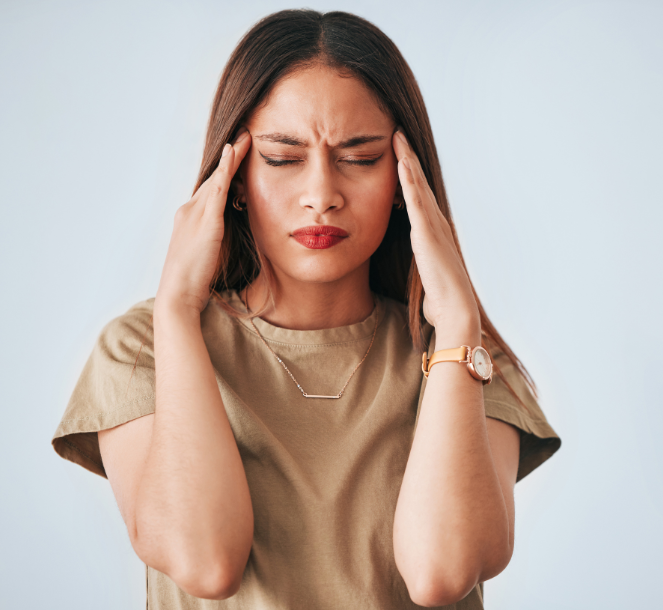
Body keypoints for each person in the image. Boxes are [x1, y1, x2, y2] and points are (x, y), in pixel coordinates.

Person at [51, 9, 561, 609]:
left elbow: (440, 575)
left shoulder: (468, 356)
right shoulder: (141, 349)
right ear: (234, 176)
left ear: (404, 178)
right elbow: (206, 563)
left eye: (361, 156)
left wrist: (454, 321)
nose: (321, 194)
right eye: (283, 158)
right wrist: (176, 312)